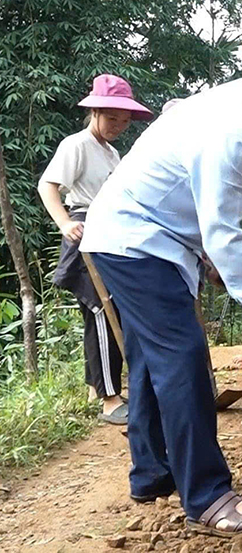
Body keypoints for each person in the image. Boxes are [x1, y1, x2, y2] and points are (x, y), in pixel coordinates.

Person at [80, 26, 242, 536]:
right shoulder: (236, 128)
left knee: (150, 357)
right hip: (137, 238)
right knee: (182, 358)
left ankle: (152, 473)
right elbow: (224, 236)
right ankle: (207, 496)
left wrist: (216, 264)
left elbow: (209, 219)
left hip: (143, 237)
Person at [37, 74, 154, 425]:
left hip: (110, 233)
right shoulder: (77, 144)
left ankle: (96, 386)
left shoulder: (111, 151)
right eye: (112, 117)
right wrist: (64, 223)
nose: (118, 125)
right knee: (102, 311)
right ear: (95, 112)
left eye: (124, 120)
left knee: (107, 311)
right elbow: (48, 184)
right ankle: (109, 398)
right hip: (85, 233)